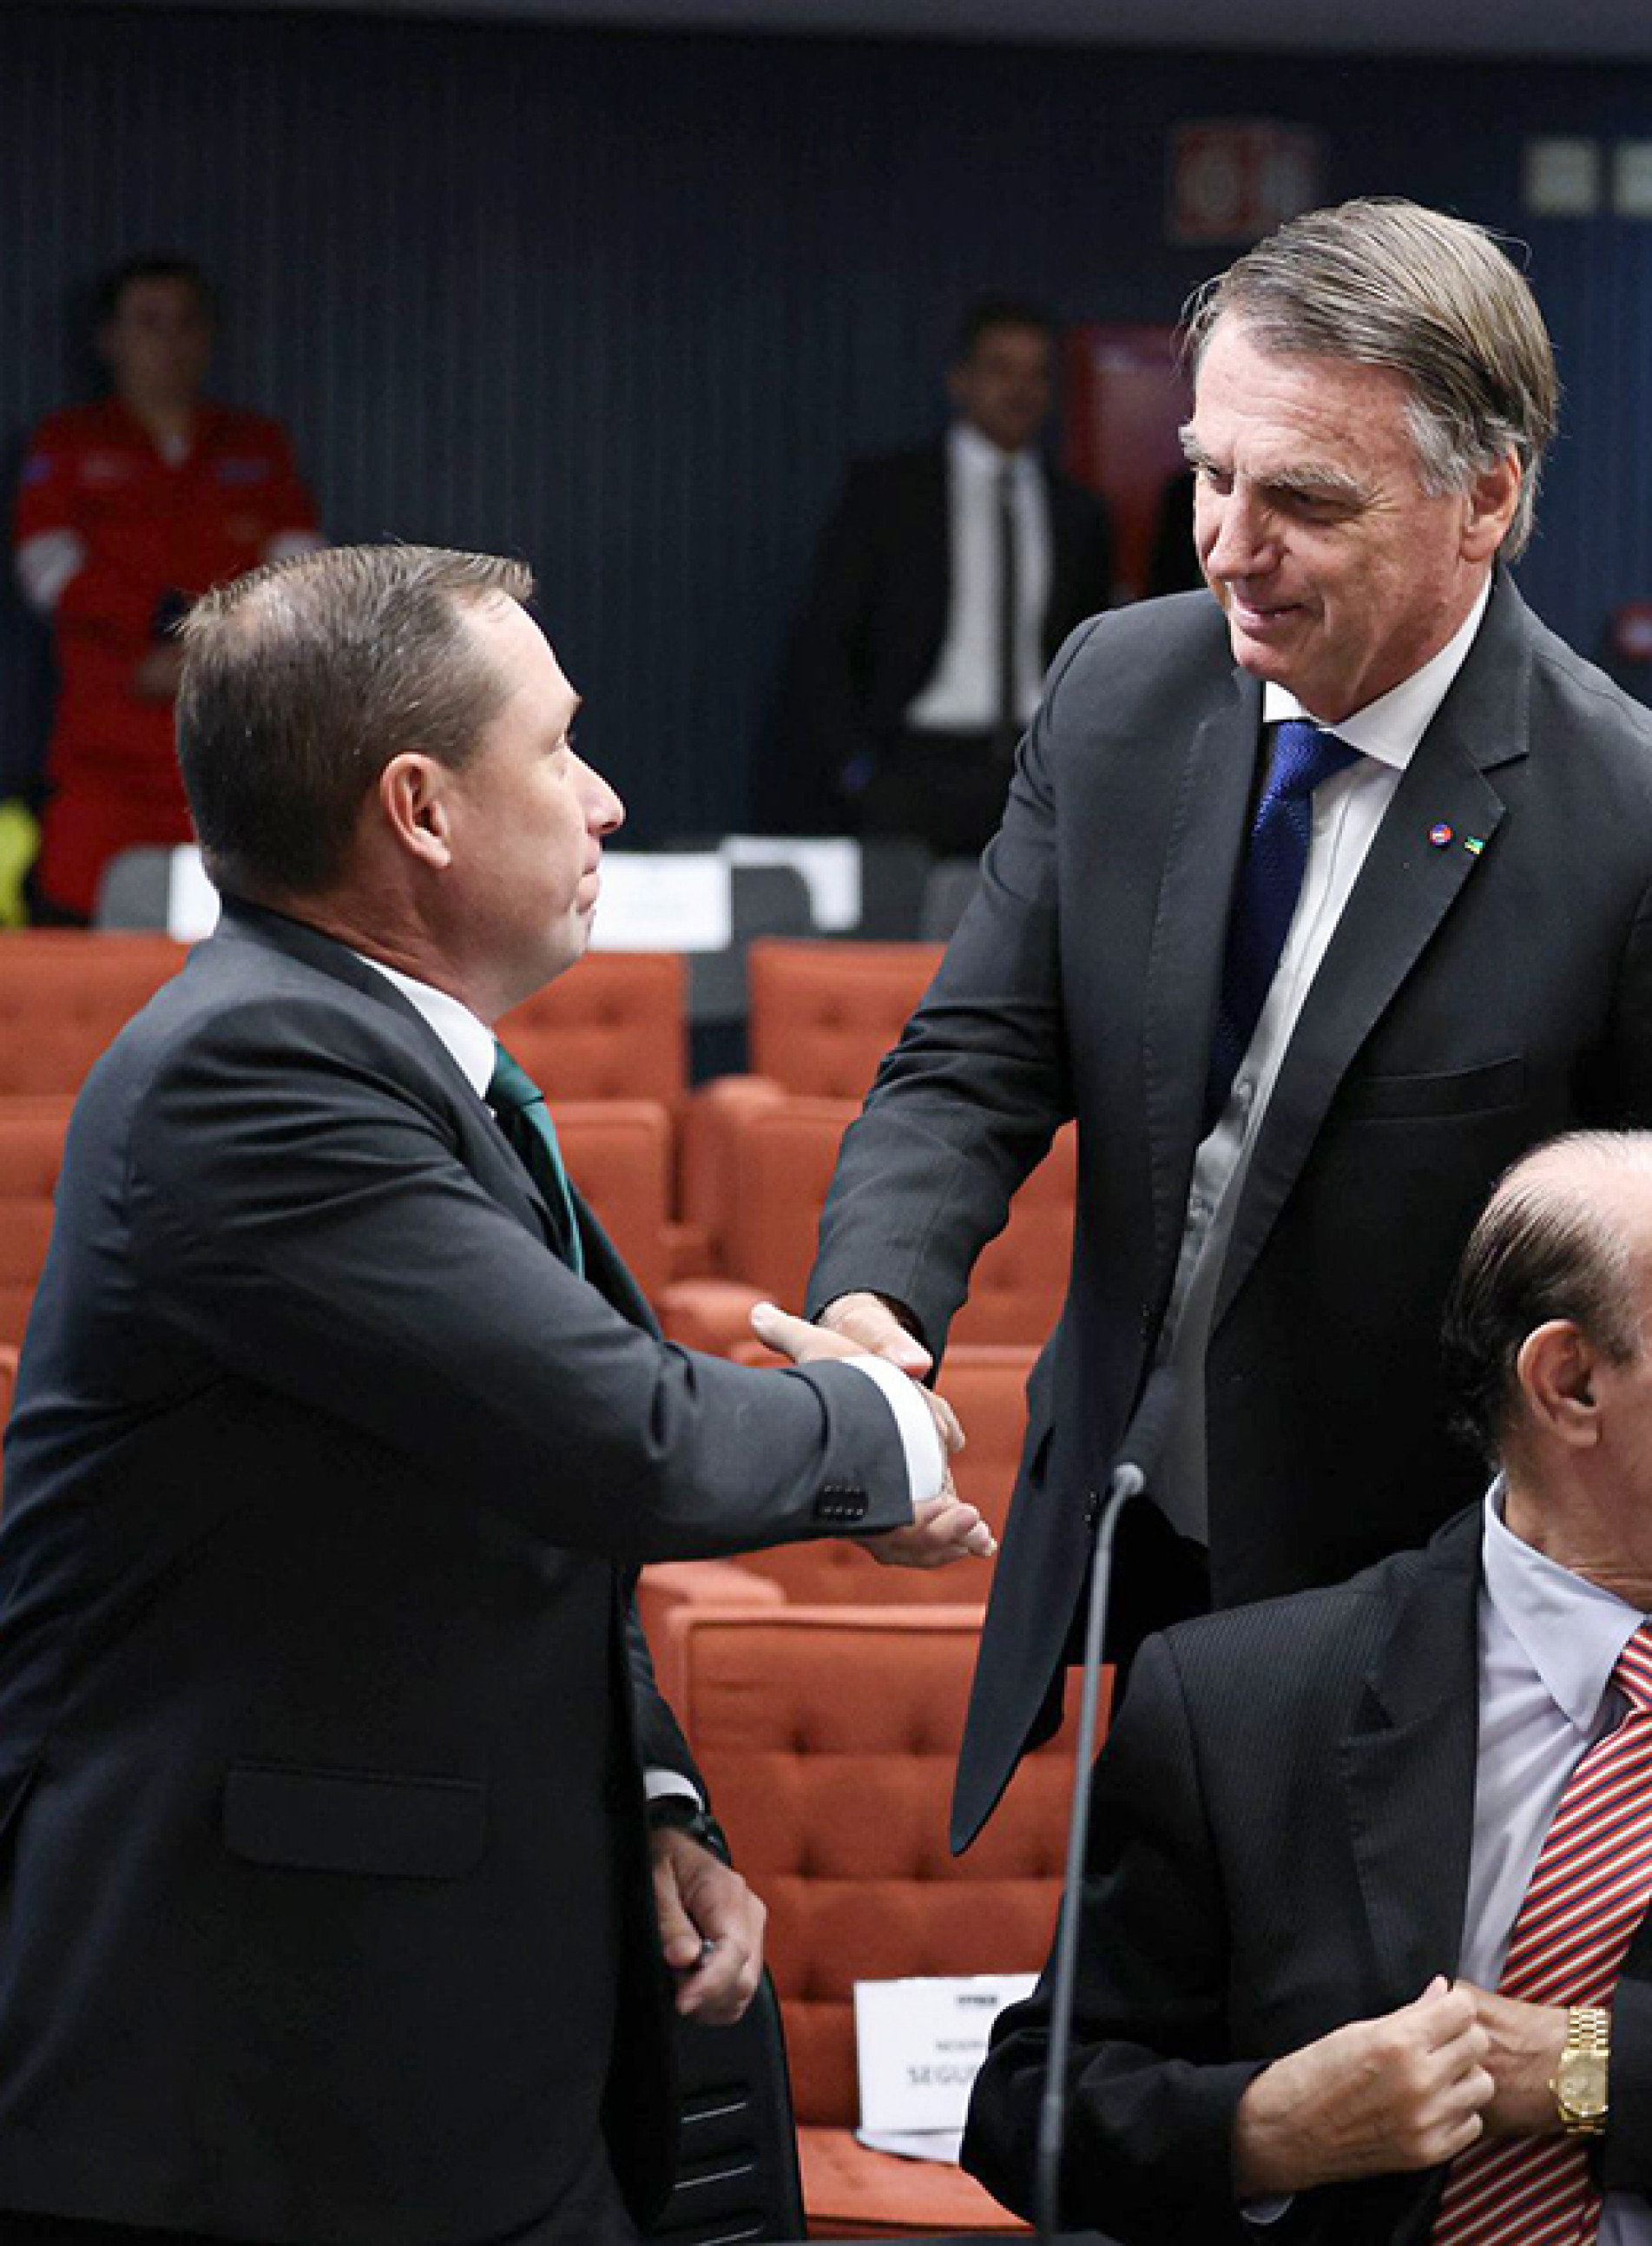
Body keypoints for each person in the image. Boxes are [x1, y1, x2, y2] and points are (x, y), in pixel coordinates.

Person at [0, 543, 991, 2244]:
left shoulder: (386, 1062)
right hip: (251, 2087)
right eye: (557, 748)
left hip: (432, 2054)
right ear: (422, 810)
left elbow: (513, 1498)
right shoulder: (253, 1072)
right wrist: (884, 1425)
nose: (604, 800)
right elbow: (625, 1439)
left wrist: (651, 1803)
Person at [798, 197, 1652, 1852]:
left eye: (1303, 501)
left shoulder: (1618, 821)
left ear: (1484, 498)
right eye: (1207, 475)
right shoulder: (1121, 687)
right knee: (1106, 2011)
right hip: (1116, 1537)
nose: (1226, 548)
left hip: (1413, 1621)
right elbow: (973, 1060)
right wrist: (872, 1306)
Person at [963, 1129, 1652, 2246]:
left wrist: (1586, 2068)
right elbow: (1028, 2110)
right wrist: (1262, 2127)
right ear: (1568, 1382)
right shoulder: (1242, 1698)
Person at [13, 254, 321, 922]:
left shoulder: (256, 444)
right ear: (110, 339)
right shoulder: (68, 442)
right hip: (105, 761)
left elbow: (303, 576)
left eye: (186, 323)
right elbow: (46, 568)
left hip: (234, 756)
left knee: (247, 942)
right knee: (78, 946)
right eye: (149, 322)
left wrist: (208, 648)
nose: (170, 342)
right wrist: (150, 626)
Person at [771, 297, 1113, 851]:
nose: (1020, 389)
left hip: (1036, 767)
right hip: (914, 767)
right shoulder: (890, 493)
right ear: (960, 380)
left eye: (1037, 374)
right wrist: (857, 769)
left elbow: (1092, 650)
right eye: (1001, 369)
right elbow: (825, 639)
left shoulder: (1078, 511)